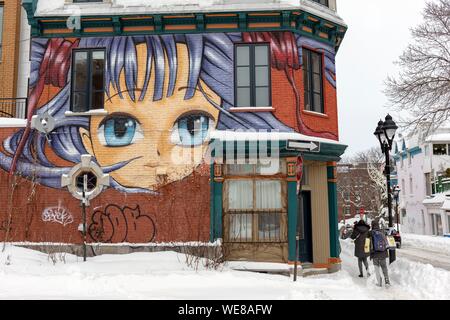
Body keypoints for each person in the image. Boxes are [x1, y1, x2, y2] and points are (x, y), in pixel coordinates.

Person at [369, 219, 391, 287]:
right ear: (378, 225)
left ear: (372, 226)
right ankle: (387, 281)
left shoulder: (371, 233)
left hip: (375, 254)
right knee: (384, 267)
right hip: (383, 253)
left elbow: (369, 244)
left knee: (377, 268)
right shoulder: (382, 232)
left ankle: (379, 282)